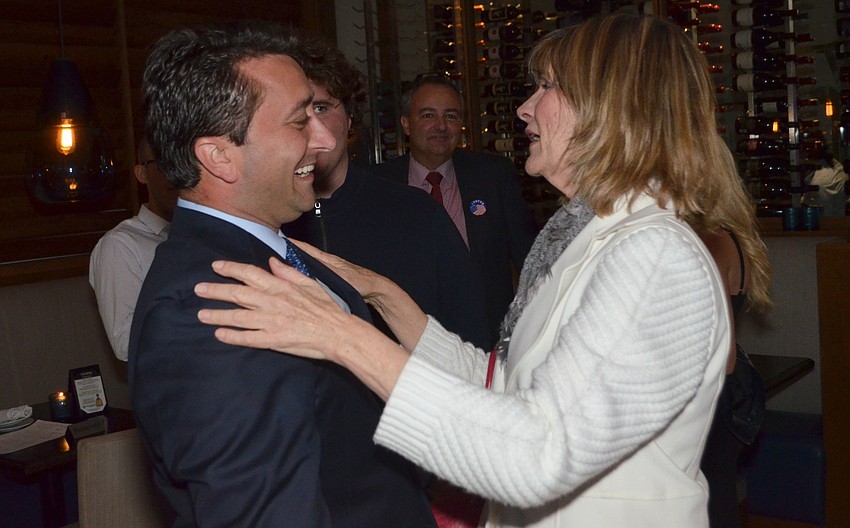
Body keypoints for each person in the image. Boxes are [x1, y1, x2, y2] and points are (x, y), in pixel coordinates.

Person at [194, 14, 771, 527]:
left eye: (547, 87)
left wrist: (342, 338)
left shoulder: (652, 254)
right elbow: (507, 384)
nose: (525, 107)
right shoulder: (597, 236)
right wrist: (383, 296)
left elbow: (538, 454)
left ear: (609, 108)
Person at [129, 22, 436, 527]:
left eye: (320, 112)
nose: (324, 138)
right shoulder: (208, 304)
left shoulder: (284, 254)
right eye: (300, 121)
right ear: (219, 155)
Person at [282, 34, 491, 350]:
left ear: (350, 117)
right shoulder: (266, 219)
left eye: (322, 107)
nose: (311, 126)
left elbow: (471, 334)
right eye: (296, 113)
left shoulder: (417, 213)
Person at [372, 73, 536, 347]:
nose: (441, 126)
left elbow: (529, 258)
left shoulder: (493, 176)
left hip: (485, 341)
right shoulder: (379, 185)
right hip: (406, 342)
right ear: (406, 124)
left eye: (450, 116)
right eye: (427, 115)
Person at [698, 228, 771, 528]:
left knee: (713, 501)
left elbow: (722, 355)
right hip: (725, 393)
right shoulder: (722, 236)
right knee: (716, 496)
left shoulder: (709, 240)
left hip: (715, 395)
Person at [89, 137, 177, 361]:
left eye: (184, 161)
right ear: (142, 174)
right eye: (165, 163)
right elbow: (126, 342)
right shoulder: (121, 244)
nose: (177, 173)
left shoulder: (203, 237)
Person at [805, 150, 848, 216]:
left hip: (820, 220)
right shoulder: (841, 171)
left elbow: (808, 201)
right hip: (839, 219)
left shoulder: (818, 178)